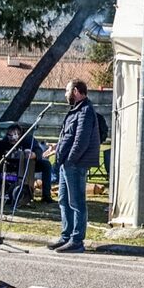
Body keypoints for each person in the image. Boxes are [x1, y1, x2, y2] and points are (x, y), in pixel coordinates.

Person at [50, 79, 100, 252]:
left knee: (76, 201)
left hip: (75, 164)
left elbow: (81, 140)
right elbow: (69, 137)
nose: (65, 94)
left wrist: (70, 160)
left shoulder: (85, 111)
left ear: (76, 91)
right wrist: (57, 150)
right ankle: (66, 236)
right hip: (66, 163)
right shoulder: (75, 111)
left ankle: (77, 240)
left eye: (67, 91)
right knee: (63, 199)